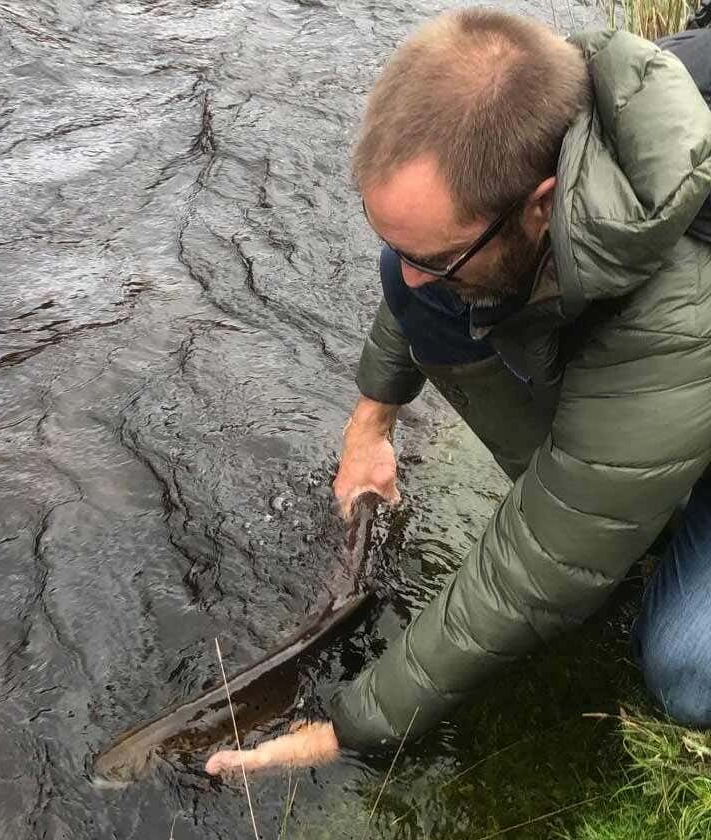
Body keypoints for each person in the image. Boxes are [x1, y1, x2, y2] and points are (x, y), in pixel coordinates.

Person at [205, 7, 711, 775]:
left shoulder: (679, 309)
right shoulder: (548, 119)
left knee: (687, 667)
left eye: (433, 255)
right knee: (435, 283)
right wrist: (369, 426)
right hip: (653, 354)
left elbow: (541, 562)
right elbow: (415, 275)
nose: (408, 277)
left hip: (687, 353)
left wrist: (351, 726)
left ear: (543, 203)